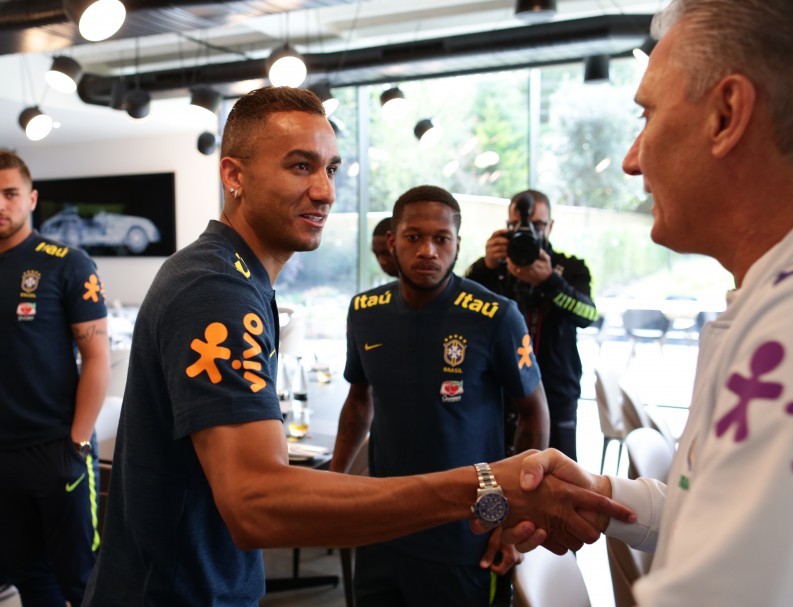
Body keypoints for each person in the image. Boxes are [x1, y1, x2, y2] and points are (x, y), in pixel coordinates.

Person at [83, 87, 635, 606]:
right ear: (235, 175)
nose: (324, 189)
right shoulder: (215, 287)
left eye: (331, 169)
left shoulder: (238, 279)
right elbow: (256, 502)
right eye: (300, 166)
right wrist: (486, 484)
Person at [511, 0, 793, 605]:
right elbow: (724, 511)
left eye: (647, 115)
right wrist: (599, 492)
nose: (632, 158)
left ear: (727, 114)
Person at [331, 185, 550, 606]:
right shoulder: (364, 311)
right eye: (414, 237)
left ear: (457, 244)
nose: (428, 250)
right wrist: (332, 485)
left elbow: (534, 412)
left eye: (441, 239)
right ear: (392, 243)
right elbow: (359, 400)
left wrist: (516, 516)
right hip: (382, 527)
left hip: (465, 532)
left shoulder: (496, 315)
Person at [0, 151, 110, 606]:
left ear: (32, 198)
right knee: (28, 575)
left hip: (58, 447)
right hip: (3, 455)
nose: (0, 204)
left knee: (84, 579)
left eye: (9, 194)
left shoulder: (67, 262)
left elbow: (97, 358)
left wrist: (78, 442)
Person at [467, 190, 597, 460]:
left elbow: (588, 315)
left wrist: (550, 282)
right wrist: (486, 268)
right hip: (498, 395)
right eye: (517, 226)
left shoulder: (569, 268)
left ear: (550, 226)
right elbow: (462, 306)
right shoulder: (494, 267)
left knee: (559, 477)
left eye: (537, 226)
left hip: (556, 393)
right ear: (506, 227)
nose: (528, 232)